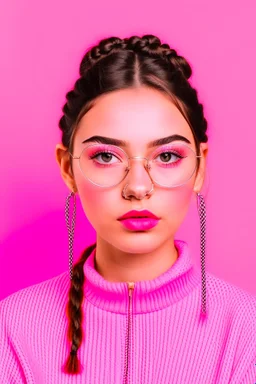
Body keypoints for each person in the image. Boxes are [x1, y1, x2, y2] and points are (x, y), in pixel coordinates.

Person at [0, 34, 255, 384]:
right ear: (67, 168)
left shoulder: (245, 331)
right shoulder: (12, 328)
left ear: (200, 166)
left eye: (167, 156)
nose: (137, 187)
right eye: (106, 156)